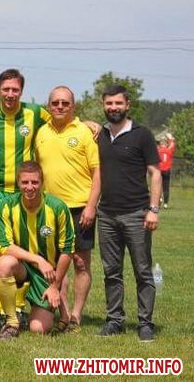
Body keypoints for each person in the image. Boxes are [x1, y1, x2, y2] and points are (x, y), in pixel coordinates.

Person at [0, 68, 51, 330]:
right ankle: (1, 310)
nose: (10, 94)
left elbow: (60, 119)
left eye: (15, 89)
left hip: (23, 192)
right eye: (6, 89)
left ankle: (18, 307)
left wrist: (88, 124)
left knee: (22, 246)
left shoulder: (35, 113)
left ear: (22, 91)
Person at [97, 84, 162, 342]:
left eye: (118, 103)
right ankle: (114, 321)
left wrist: (153, 209)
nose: (113, 108)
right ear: (103, 105)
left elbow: (155, 173)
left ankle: (145, 323)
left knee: (142, 271)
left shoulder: (142, 134)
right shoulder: (100, 134)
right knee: (111, 272)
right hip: (106, 215)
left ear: (127, 105)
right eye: (109, 103)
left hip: (137, 213)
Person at [35, 86, 100, 332]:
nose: (60, 107)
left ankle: (76, 315)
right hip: (50, 210)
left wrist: (91, 206)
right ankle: (63, 315)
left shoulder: (85, 132)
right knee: (55, 266)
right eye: (55, 103)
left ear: (73, 106)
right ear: (49, 106)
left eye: (65, 103)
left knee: (80, 264)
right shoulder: (41, 132)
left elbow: (97, 172)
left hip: (79, 208)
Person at [0, 161, 75, 340]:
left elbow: (67, 251)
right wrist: (38, 259)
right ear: (18, 182)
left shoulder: (57, 207)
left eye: (34, 182)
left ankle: (59, 298)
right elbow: (4, 246)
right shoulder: (7, 205)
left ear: (42, 182)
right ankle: (12, 322)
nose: (29, 187)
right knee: (4, 263)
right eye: (25, 182)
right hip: (22, 266)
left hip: (47, 274)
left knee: (38, 328)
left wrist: (54, 286)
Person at [157, 134, 176, 209]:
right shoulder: (169, 150)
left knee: (158, 186)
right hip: (167, 170)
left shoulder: (158, 150)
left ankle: (159, 199)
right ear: (166, 144)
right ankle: (165, 203)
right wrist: (171, 138)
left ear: (160, 144)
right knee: (166, 187)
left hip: (159, 170)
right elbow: (172, 144)